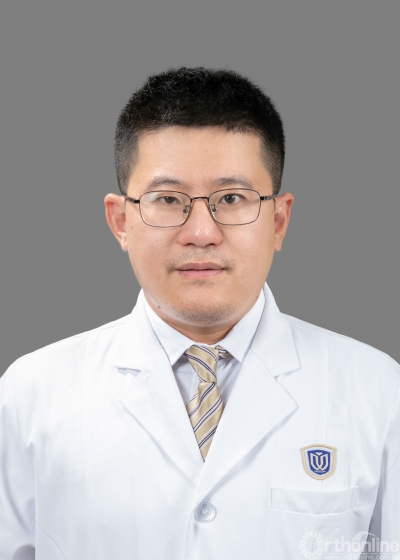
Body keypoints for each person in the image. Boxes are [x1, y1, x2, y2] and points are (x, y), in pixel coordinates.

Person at [0, 67, 399, 560]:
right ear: (121, 221)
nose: (202, 233)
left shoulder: (378, 392)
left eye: (231, 199)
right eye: (168, 199)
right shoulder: (31, 394)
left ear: (278, 220)